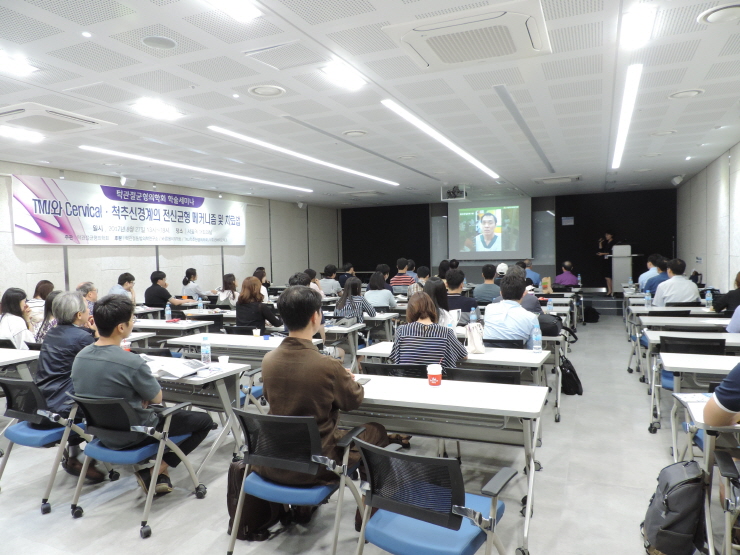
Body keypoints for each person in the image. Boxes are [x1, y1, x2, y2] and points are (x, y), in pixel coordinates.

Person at [254, 285, 388, 528]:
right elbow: (352, 401)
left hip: (273, 460)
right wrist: (346, 379)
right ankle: (368, 510)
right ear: (316, 317)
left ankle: (304, 507)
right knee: (375, 430)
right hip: (318, 466)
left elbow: (273, 398)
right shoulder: (327, 365)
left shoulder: (268, 360)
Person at [72, 295, 213, 495]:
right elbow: (157, 398)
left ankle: (161, 477)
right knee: (204, 421)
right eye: (132, 319)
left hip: (101, 433)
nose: (133, 322)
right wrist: (142, 396)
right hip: (137, 433)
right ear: (121, 327)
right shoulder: (131, 362)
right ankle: (156, 470)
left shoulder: (80, 357)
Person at [34, 291, 103, 481]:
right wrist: (98, 336)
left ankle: (75, 454)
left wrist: (91, 333)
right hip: (63, 407)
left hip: (42, 402)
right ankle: (99, 453)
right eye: (86, 308)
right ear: (79, 315)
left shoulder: (52, 333)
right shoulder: (82, 338)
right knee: (102, 397)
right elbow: (101, 364)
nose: (89, 310)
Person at [390, 292, 468, 368]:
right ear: (432, 308)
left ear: (410, 311)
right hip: (435, 376)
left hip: (406, 376)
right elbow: (464, 355)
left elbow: (394, 357)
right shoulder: (446, 333)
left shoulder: (401, 331)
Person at [483, 274, 539, 348]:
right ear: (524, 294)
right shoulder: (531, 318)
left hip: (489, 354)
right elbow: (534, 347)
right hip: (517, 355)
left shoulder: (489, 309)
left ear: (501, 293)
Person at [597, 232, 615, 296]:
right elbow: (601, 249)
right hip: (606, 261)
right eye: (605, 235)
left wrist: (603, 254)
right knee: (606, 277)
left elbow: (611, 252)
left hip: (611, 261)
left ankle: (611, 290)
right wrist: (600, 243)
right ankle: (609, 290)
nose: (606, 236)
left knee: (609, 276)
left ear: (611, 235)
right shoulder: (606, 242)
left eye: (607, 235)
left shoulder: (613, 243)